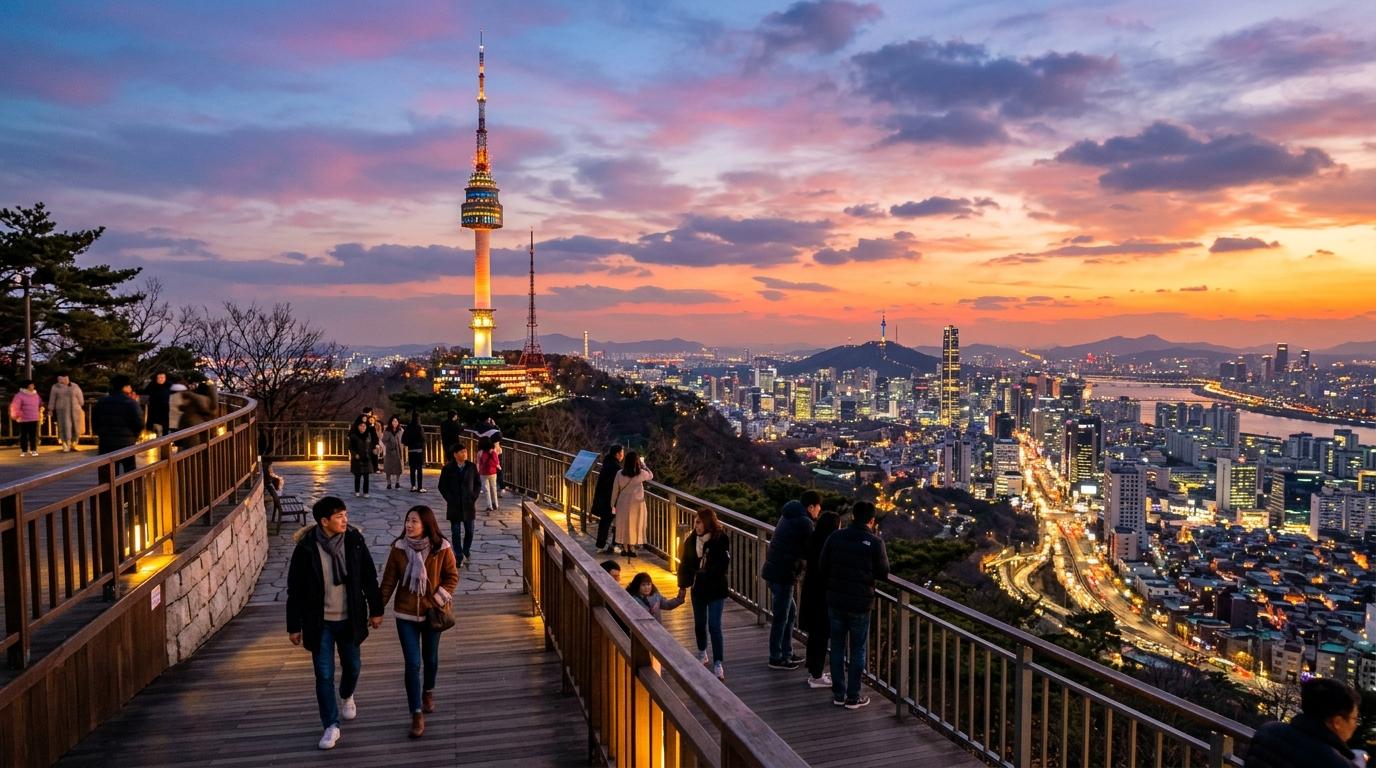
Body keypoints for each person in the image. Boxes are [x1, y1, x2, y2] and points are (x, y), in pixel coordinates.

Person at [285, 496, 384, 751]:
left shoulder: (354, 541)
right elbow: (295, 589)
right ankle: (331, 725)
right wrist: (293, 625)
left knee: (353, 666)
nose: (345, 520)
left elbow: (369, 578)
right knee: (324, 675)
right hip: (320, 622)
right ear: (324, 521)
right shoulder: (306, 547)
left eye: (345, 515)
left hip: (349, 618)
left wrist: (376, 610)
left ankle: (347, 694)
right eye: (339, 516)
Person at [378, 505, 460, 739]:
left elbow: (452, 577)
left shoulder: (441, 548)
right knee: (412, 663)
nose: (409, 525)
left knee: (430, 658)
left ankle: (428, 691)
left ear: (426, 524)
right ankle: (415, 712)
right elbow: (388, 582)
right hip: (405, 615)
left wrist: (437, 598)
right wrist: (376, 610)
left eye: (414, 521)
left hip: (433, 612)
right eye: (407, 521)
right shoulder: (398, 549)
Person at [820, 501, 888, 710]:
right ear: (871, 520)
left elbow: (823, 565)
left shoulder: (835, 536)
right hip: (860, 603)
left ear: (852, 516)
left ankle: (839, 693)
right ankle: (853, 696)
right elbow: (883, 572)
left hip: (836, 600)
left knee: (837, 647)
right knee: (858, 649)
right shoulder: (875, 543)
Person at [761, 490, 820, 670]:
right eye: (818, 508)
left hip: (775, 569)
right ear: (811, 507)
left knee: (789, 613)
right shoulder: (804, 522)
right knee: (781, 616)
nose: (818, 512)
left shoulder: (788, 515)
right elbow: (813, 548)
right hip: (784, 573)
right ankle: (776, 657)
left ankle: (786, 652)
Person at [1246, 677, 1362, 768]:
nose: (1355, 725)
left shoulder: (1267, 731)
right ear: (1337, 722)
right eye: (1355, 718)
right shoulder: (1338, 764)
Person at [678, 508, 731, 681]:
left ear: (708, 522)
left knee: (714, 625)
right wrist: (683, 586)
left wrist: (706, 573)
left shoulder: (720, 539)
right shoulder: (691, 541)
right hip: (698, 589)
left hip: (715, 589)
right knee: (700, 623)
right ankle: (702, 652)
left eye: (699, 522)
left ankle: (718, 662)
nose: (696, 525)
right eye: (695, 522)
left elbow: (723, 564)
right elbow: (684, 564)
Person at [800, 510, 840, 689]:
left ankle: (814, 671)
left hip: (810, 592)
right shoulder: (828, 544)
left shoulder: (813, 539)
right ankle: (816, 675)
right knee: (821, 635)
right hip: (823, 595)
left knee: (815, 636)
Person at [437, 444, 481, 569]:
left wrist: (473, 496)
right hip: (454, 505)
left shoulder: (471, 467)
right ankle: (458, 555)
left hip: (468, 504)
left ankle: (466, 550)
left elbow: (478, 483)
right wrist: (449, 498)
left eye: (465, 452)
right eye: (461, 452)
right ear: (455, 454)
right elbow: (442, 486)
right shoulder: (448, 468)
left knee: (470, 531)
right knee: (455, 532)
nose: (464, 454)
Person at [91, 375, 143, 473]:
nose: (131, 388)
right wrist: (135, 436)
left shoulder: (102, 402)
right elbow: (139, 422)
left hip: (106, 442)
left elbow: (95, 421)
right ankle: (128, 488)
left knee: (108, 473)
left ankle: (110, 488)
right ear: (125, 387)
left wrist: (100, 433)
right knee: (129, 471)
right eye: (129, 386)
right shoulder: (131, 403)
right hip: (126, 442)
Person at [612, 451, 653, 557]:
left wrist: (612, 504)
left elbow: (615, 490)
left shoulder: (619, 473)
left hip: (623, 502)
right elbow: (651, 475)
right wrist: (644, 465)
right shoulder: (641, 474)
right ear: (637, 461)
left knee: (624, 525)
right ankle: (632, 548)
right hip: (637, 504)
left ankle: (625, 548)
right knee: (635, 525)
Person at [592, 444, 624, 554]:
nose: (623, 455)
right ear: (617, 454)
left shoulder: (606, 464)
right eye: (622, 453)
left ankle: (600, 545)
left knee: (604, 522)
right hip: (612, 500)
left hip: (603, 498)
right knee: (619, 521)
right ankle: (615, 544)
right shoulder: (616, 468)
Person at [48, 373, 84, 452]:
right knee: (64, 426)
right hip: (62, 410)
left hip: (75, 409)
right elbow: (52, 398)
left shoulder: (74, 385)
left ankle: (74, 444)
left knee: (76, 426)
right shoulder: (55, 387)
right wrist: (50, 409)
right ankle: (65, 444)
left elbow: (80, 396)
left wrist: (80, 404)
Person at [8, 380, 42, 457]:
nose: (33, 386)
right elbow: (15, 406)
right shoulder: (19, 395)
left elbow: (39, 403)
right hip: (23, 418)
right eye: (31, 385)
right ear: (27, 386)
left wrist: (40, 409)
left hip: (34, 417)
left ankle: (33, 449)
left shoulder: (36, 394)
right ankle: (24, 450)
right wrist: (17, 415)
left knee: (33, 435)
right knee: (23, 435)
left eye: (33, 385)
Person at [347, 418, 376, 498]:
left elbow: (371, 445)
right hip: (357, 458)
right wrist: (354, 454)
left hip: (366, 458)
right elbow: (350, 447)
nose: (363, 427)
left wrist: (373, 450)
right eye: (361, 426)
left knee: (366, 477)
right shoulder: (353, 436)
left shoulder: (368, 435)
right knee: (357, 476)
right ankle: (357, 491)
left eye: (364, 426)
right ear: (358, 426)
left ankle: (366, 492)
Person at [142, 372, 173, 436]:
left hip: (165, 410)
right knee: (151, 428)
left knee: (165, 428)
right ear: (156, 378)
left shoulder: (169, 385)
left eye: (163, 377)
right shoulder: (151, 385)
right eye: (159, 378)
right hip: (153, 410)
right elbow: (144, 394)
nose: (161, 379)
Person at [402, 412, 427, 493]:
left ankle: (413, 486)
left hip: (411, 450)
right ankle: (420, 487)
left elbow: (404, 439)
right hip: (418, 450)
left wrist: (409, 443)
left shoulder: (408, 427)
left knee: (412, 469)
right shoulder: (419, 427)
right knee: (419, 469)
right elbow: (423, 438)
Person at [477, 436, 502, 510]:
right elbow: (497, 461)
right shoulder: (493, 451)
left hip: (483, 473)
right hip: (493, 472)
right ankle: (496, 504)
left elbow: (478, 463)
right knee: (493, 488)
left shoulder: (480, 452)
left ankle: (489, 506)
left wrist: (477, 471)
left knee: (486, 490)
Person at [381, 416, 404, 490]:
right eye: (393, 421)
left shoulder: (401, 430)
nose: (395, 423)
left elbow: (403, 440)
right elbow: (383, 440)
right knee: (388, 468)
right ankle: (389, 483)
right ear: (391, 422)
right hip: (389, 451)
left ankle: (397, 482)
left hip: (398, 451)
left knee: (398, 467)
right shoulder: (387, 430)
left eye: (396, 421)